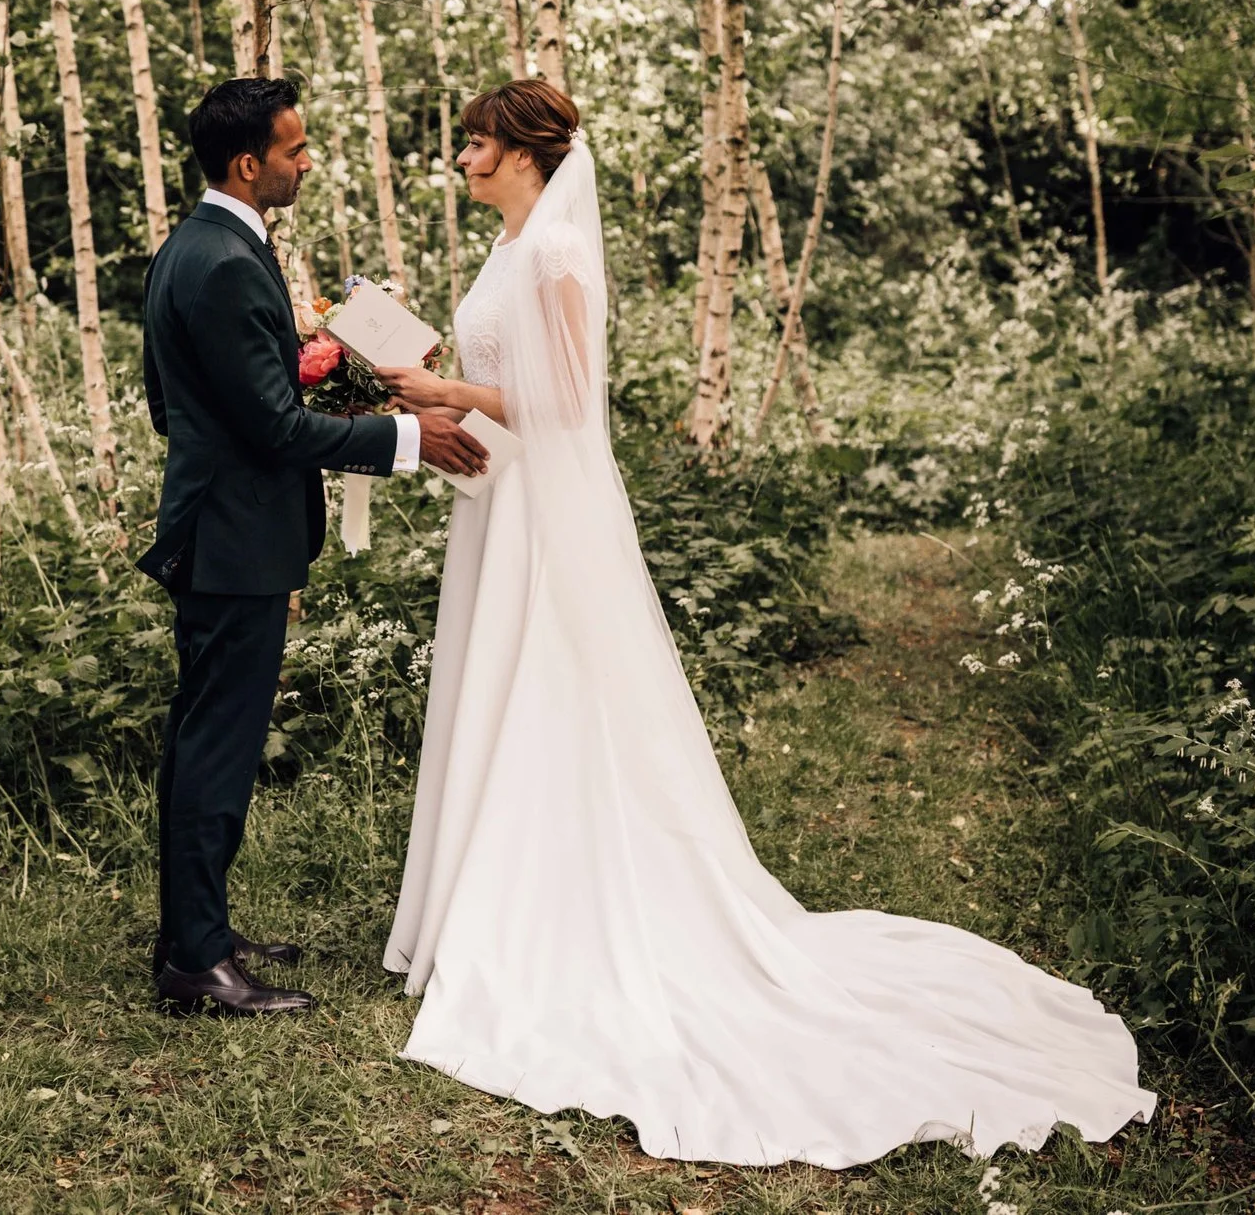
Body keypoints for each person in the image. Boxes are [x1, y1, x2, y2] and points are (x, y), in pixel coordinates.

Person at [370, 78, 1157, 1168]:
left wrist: (447, 388)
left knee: (552, 695)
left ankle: (557, 913)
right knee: (499, 689)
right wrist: (432, 392)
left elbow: (569, 405)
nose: (460, 156)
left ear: (522, 152)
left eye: (474, 141)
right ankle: (484, 904)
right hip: (503, 506)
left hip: (547, 515)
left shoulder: (555, 256)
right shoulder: (510, 248)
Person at [138, 75, 489, 1015]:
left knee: (202, 736)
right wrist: (410, 437)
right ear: (249, 164)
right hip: (231, 541)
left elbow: (175, 405)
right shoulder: (221, 264)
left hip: (220, 526)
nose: (306, 161)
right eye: (295, 150)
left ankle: (193, 931)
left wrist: (305, 387)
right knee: (218, 743)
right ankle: (196, 966)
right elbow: (276, 431)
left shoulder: (194, 248)